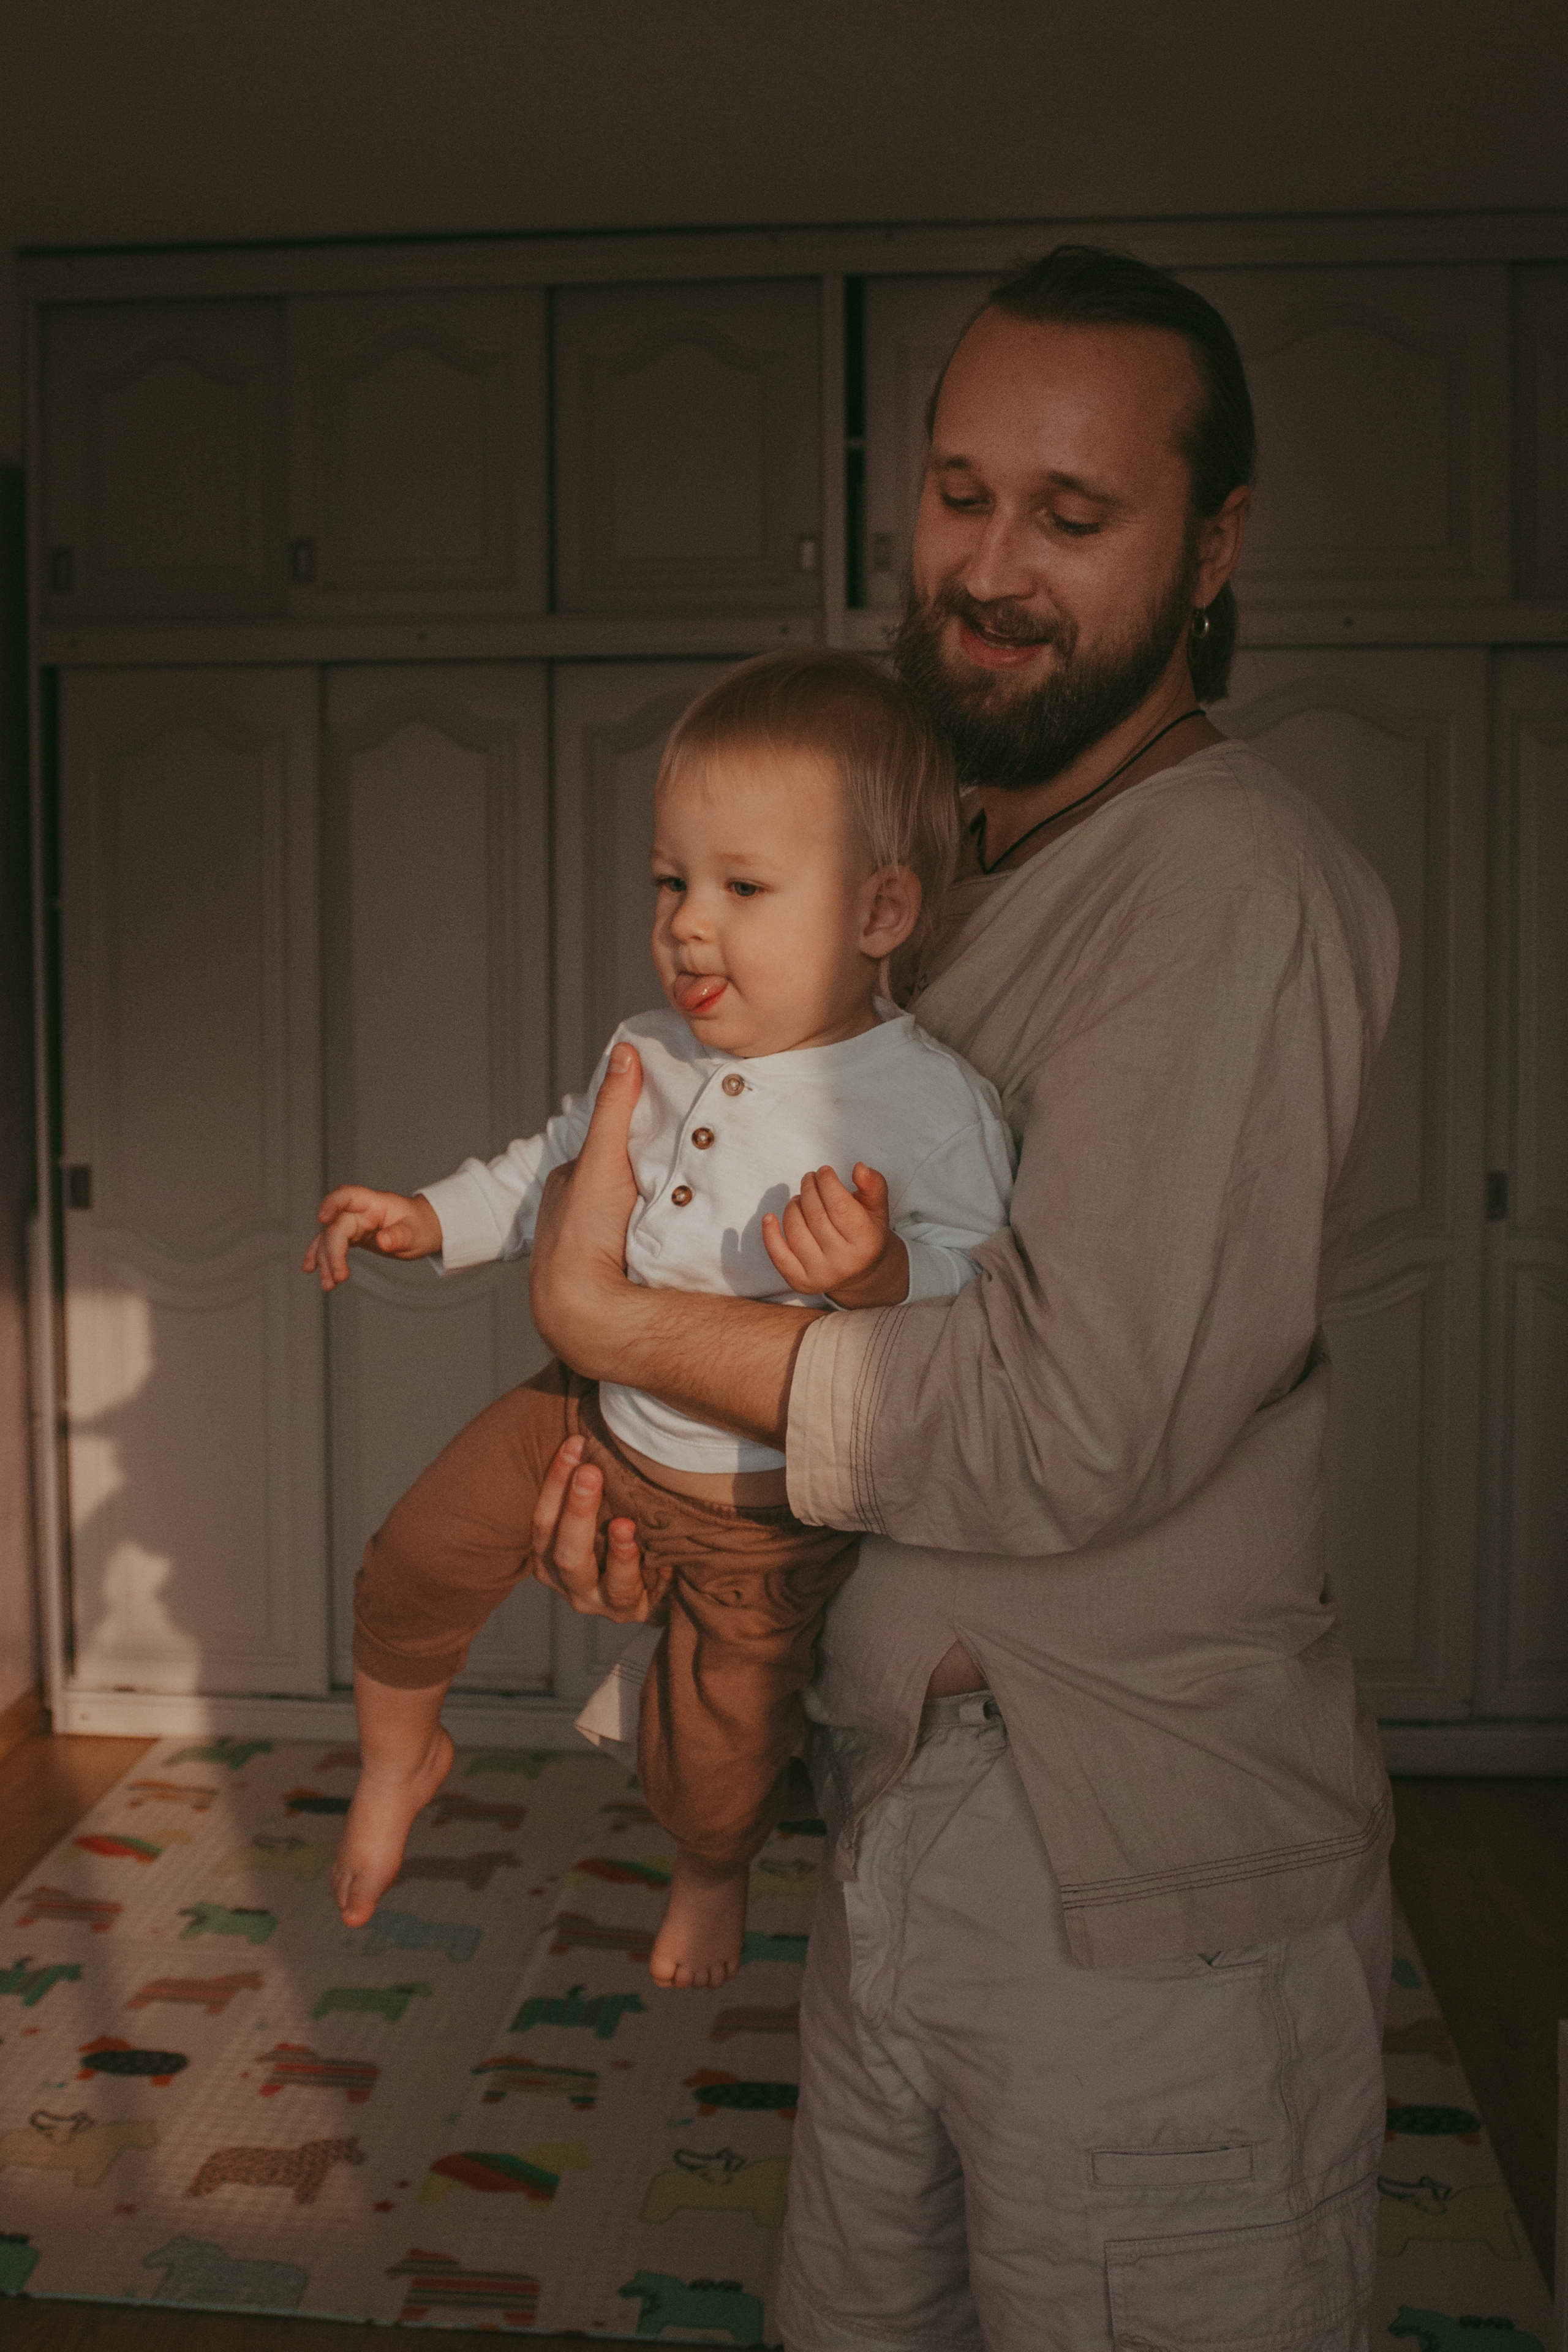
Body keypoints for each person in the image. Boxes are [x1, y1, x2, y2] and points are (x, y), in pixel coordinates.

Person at [518, 246, 1401, 2350]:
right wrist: (664, 1486)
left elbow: (1057, 1423)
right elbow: (820, 1308)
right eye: (961, 494)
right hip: (907, 1805)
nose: (993, 567)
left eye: (1074, 516)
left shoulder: (1226, 885)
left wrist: (622, 1334)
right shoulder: (940, 882)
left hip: (1133, 1884)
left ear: (1214, 549)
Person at [304, 650, 1015, 1989]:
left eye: (742, 888)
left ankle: (709, 1868)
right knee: (409, 1561)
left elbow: (978, 1283)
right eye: (670, 882)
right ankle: (399, 1760)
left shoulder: (927, 1103)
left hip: (765, 1503)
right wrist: (432, 1217)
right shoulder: (649, 1046)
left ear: (879, 910)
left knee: (718, 1744)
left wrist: (879, 1277)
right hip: (584, 1421)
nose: (688, 925)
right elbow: (555, 1162)